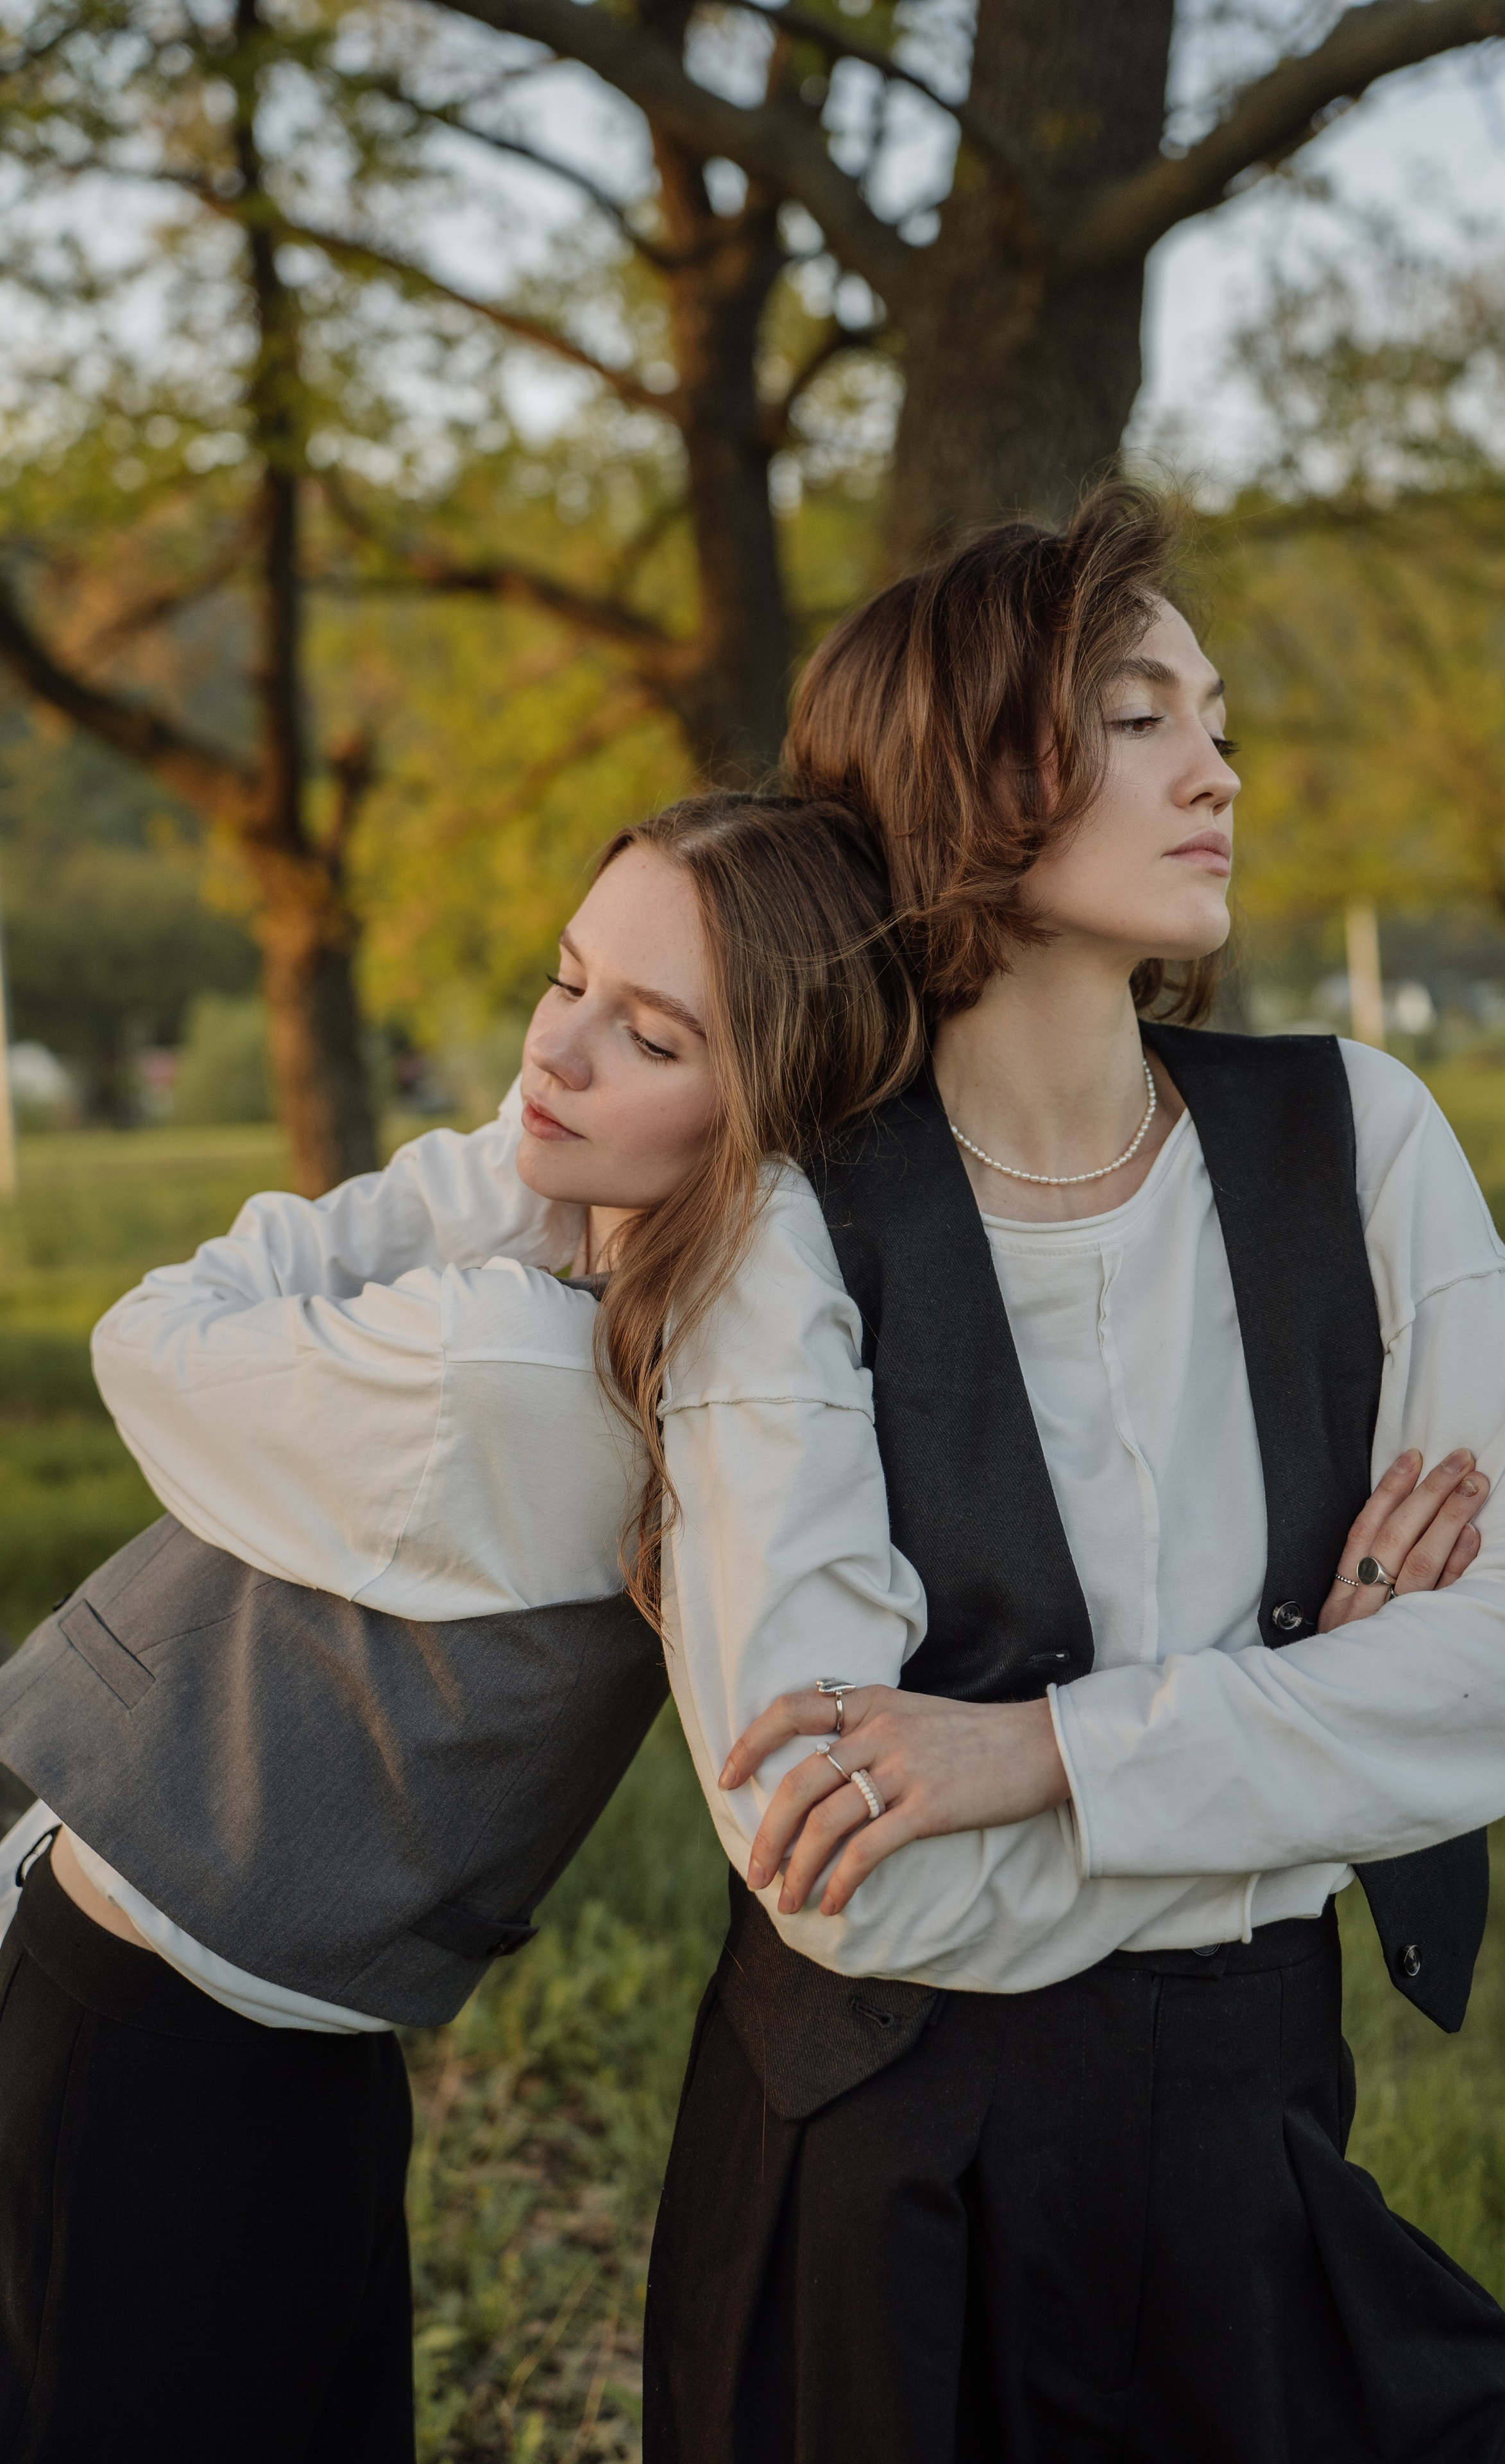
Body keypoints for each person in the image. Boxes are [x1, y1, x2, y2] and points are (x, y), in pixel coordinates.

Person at [638, 488, 1505, 2463]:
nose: (1218, 770)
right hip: (888, 2177)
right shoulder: (790, 1212)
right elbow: (836, 1864)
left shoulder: (1360, 1135)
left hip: (1254, 2125)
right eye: (1141, 715)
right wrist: (1317, 1731)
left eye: (1219, 720)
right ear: (958, 770)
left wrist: (1043, 1754)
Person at [0, 791, 921, 2464]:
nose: (553, 1052)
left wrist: (501, 1175)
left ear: (771, 1114)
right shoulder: (682, 1344)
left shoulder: (503, 1363)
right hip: (236, 2019)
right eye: (566, 981)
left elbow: (153, 1340)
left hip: (168, 2034)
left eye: (647, 1036)